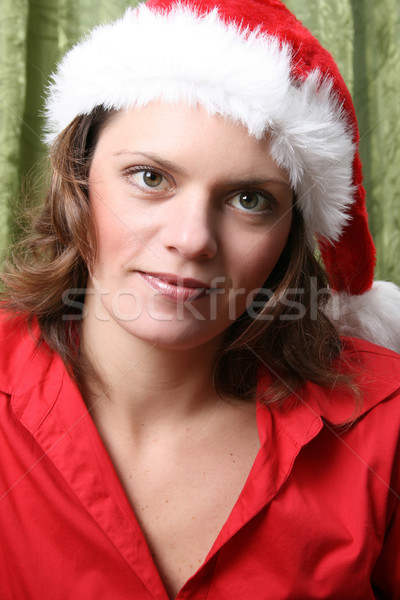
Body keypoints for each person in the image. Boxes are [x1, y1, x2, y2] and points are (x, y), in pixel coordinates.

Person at [1, 0, 400, 598]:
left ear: (290, 236)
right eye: (150, 177)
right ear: (78, 182)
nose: (191, 240)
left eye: (249, 200)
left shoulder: (384, 425)